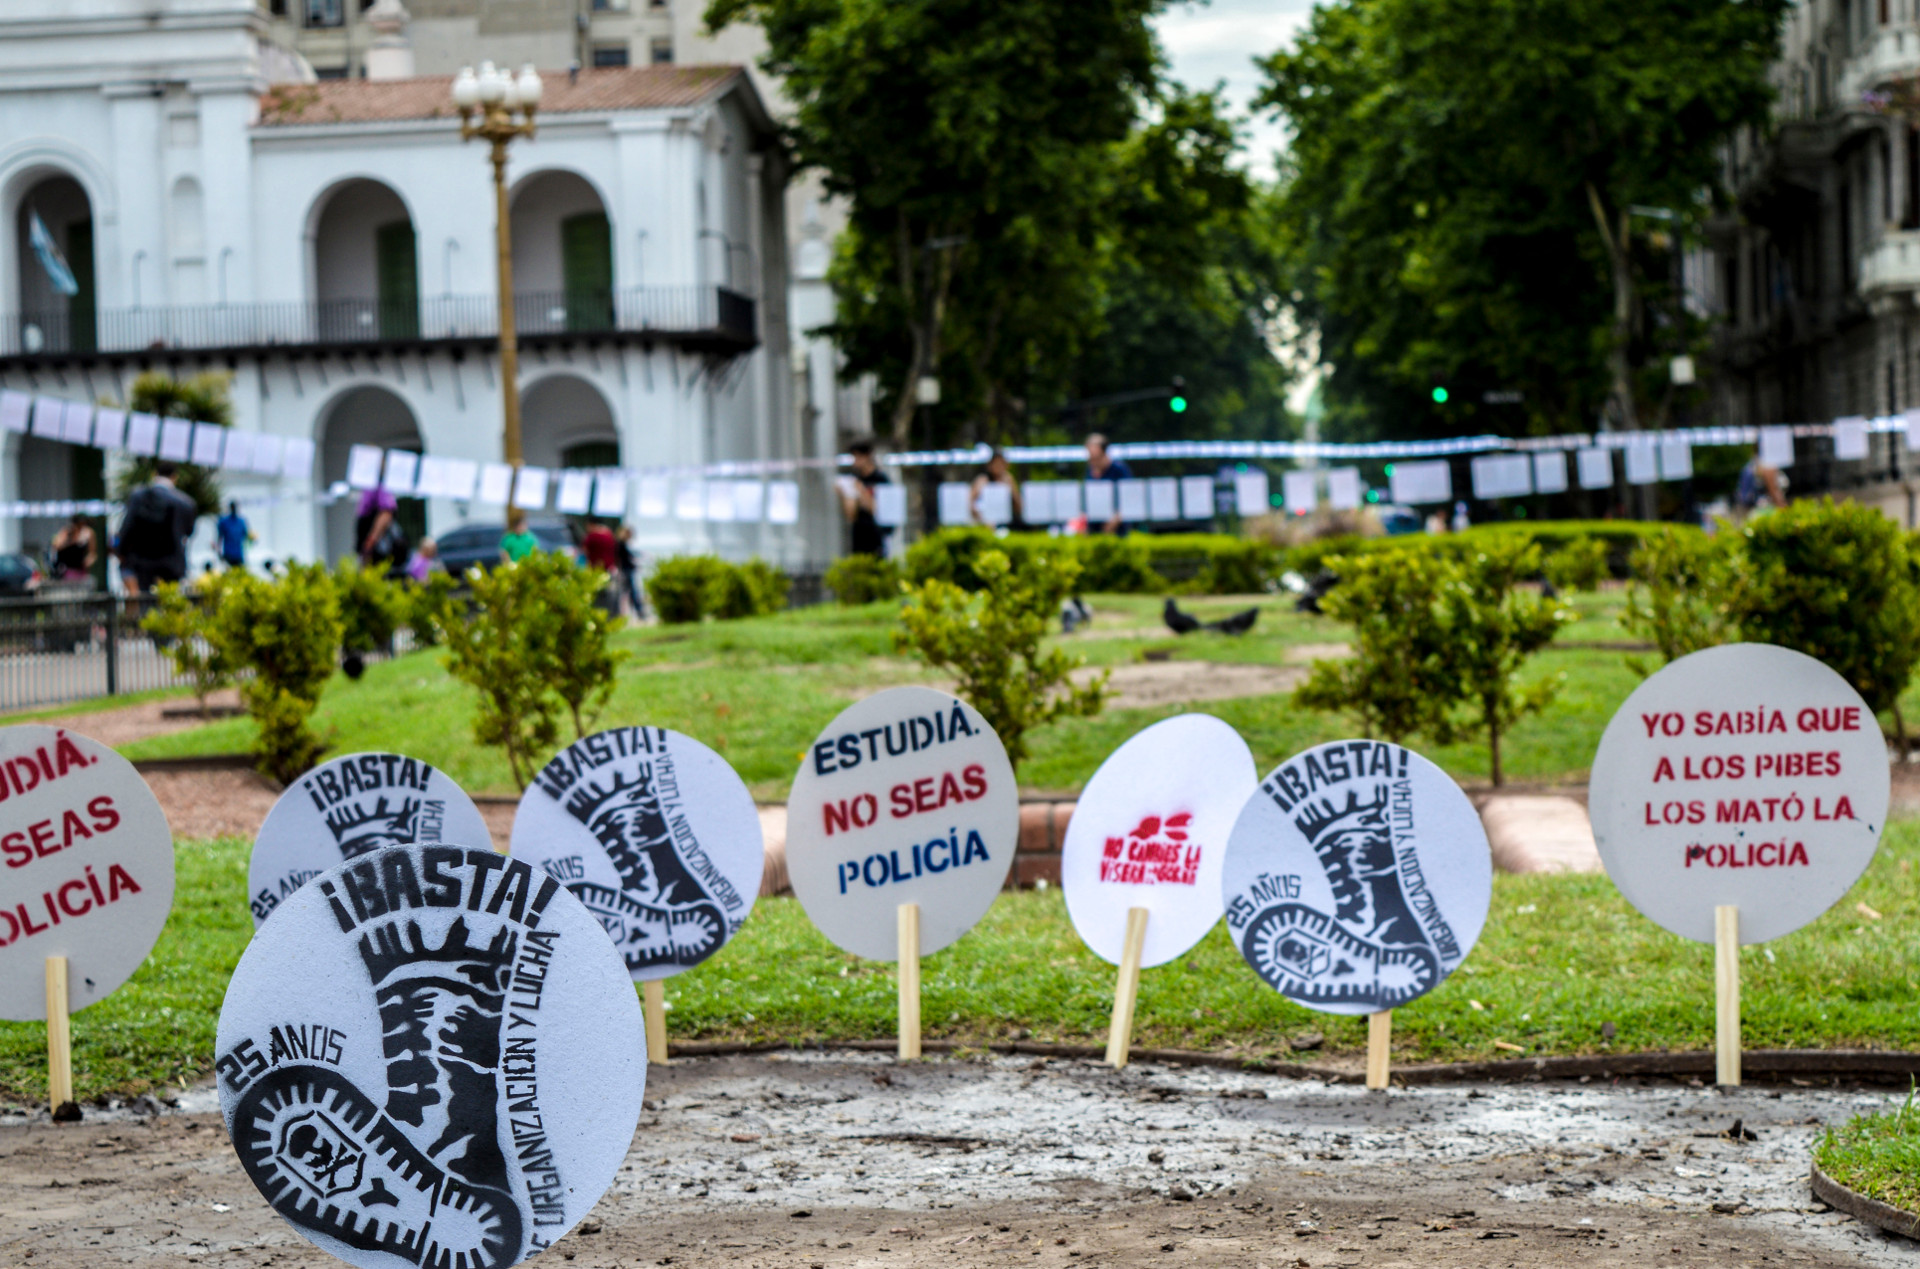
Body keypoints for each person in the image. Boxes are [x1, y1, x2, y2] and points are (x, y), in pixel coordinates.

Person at [115, 461, 198, 594]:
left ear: (154, 474)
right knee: (169, 601)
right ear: (174, 477)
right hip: (171, 564)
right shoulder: (186, 503)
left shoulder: (138, 497)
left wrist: (121, 552)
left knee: (145, 603)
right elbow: (189, 532)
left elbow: (127, 528)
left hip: (141, 563)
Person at [838, 440, 892, 557]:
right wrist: (845, 494)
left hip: (876, 534)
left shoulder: (880, 479)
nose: (855, 462)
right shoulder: (855, 479)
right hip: (859, 534)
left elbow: (880, 510)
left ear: (867, 456)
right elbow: (851, 515)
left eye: (858, 457)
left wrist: (861, 491)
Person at [1085, 433, 1133, 535]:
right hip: (1094, 526)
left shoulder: (1119, 469)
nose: (1091, 460)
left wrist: (1116, 519)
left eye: (1095, 457)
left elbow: (1129, 497)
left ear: (1103, 453)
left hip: (1117, 527)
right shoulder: (1090, 471)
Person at [355, 486, 406, 572]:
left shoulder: (378, 485)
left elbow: (386, 513)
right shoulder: (370, 484)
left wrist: (371, 541)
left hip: (377, 549)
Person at [969, 447, 1023, 527]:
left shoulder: (1008, 480)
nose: (998, 466)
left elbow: (1019, 507)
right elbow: (970, 503)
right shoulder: (982, 480)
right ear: (990, 465)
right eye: (996, 463)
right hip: (984, 523)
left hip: (1005, 523)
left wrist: (1010, 490)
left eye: (1001, 463)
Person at [49, 514, 97, 582]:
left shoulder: (88, 533)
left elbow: (93, 553)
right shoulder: (67, 531)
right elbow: (56, 546)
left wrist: (87, 562)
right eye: (79, 524)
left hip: (80, 569)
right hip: (66, 569)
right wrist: (71, 540)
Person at [614, 524, 644, 618]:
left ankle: (635, 611)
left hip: (626, 570)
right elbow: (624, 559)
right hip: (626, 571)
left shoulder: (622, 544)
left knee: (628, 592)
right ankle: (638, 611)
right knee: (630, 592)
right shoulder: (621, 544)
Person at [215, 501, 251, 569]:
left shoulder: (241, 521)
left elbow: (246, 536)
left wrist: (252, 538)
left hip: (239, 554)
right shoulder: (224, 521)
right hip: (228, 553)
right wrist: (218, 552)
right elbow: (219, 537)